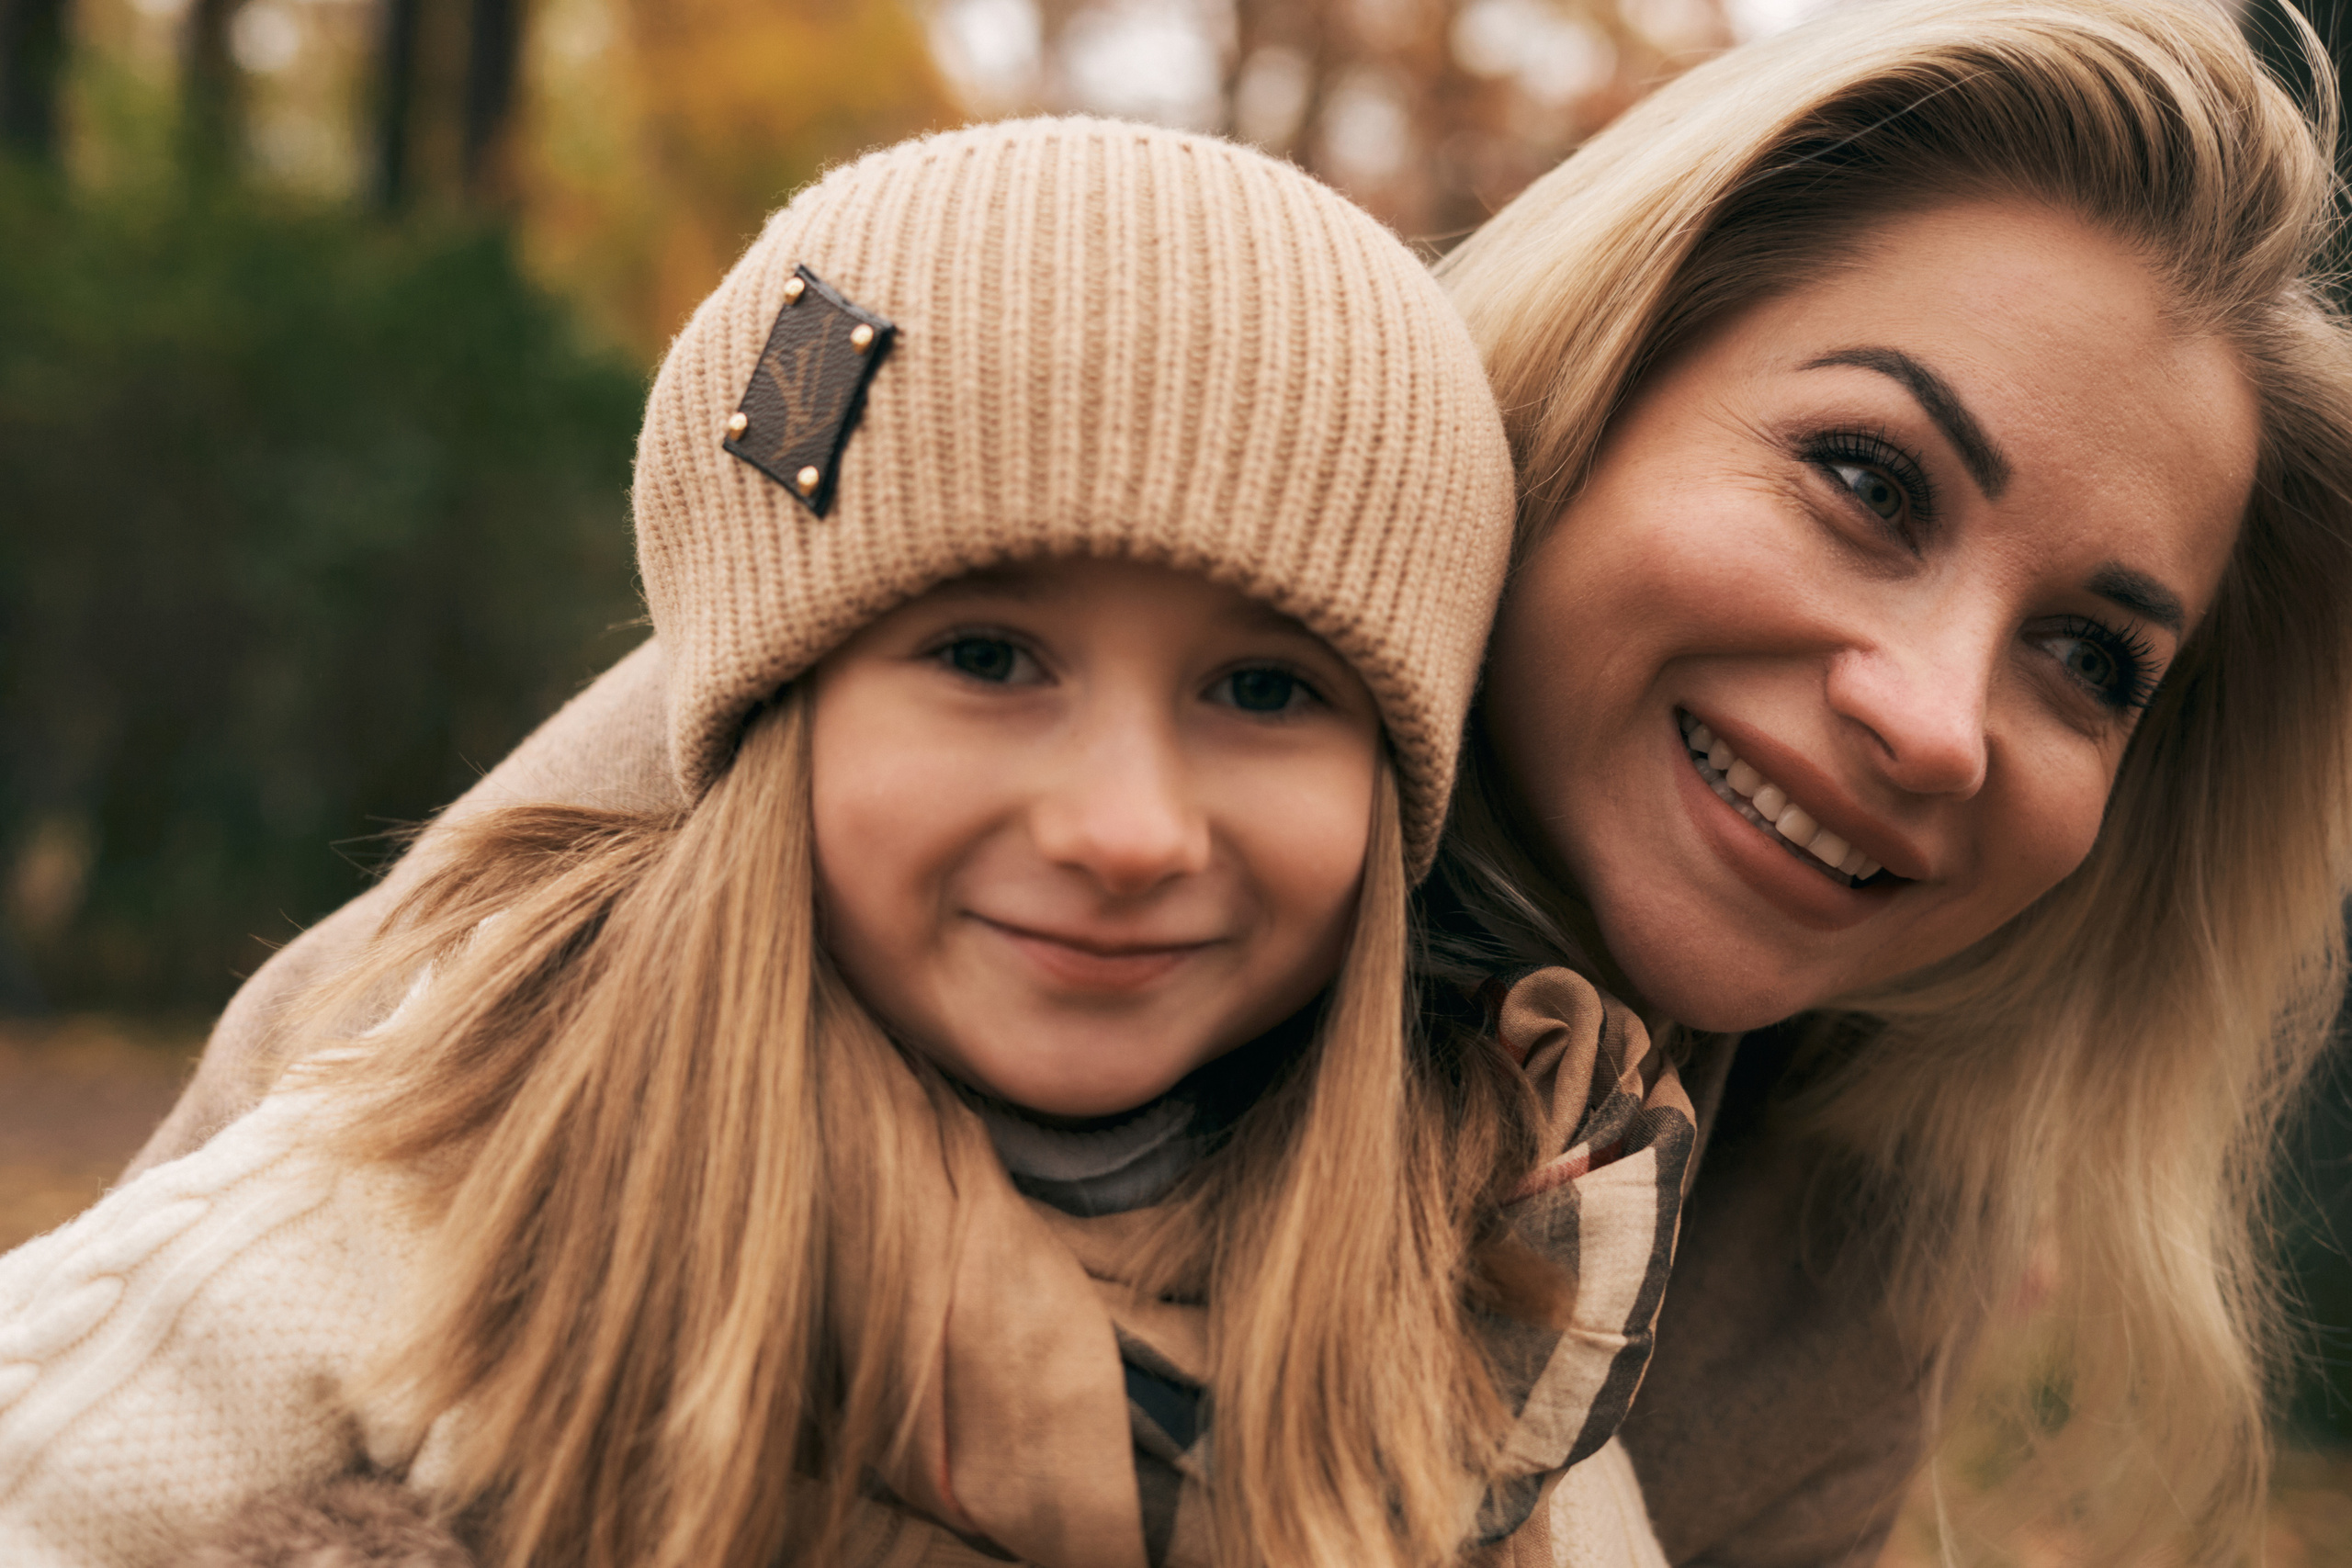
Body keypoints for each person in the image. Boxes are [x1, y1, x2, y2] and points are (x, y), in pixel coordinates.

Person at [85, 0, 2352, 1562]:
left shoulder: (1857, 1195)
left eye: (2088, 655)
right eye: (1861, 475)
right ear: (1575, 394)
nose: (1942, 714)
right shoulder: (819, 794)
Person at [0, 119, 1702, 1568]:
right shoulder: (447, 1211)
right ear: (776, 707)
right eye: (986, 659)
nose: (1123, 830)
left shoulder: (1479, 1315)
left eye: (1265, 690)